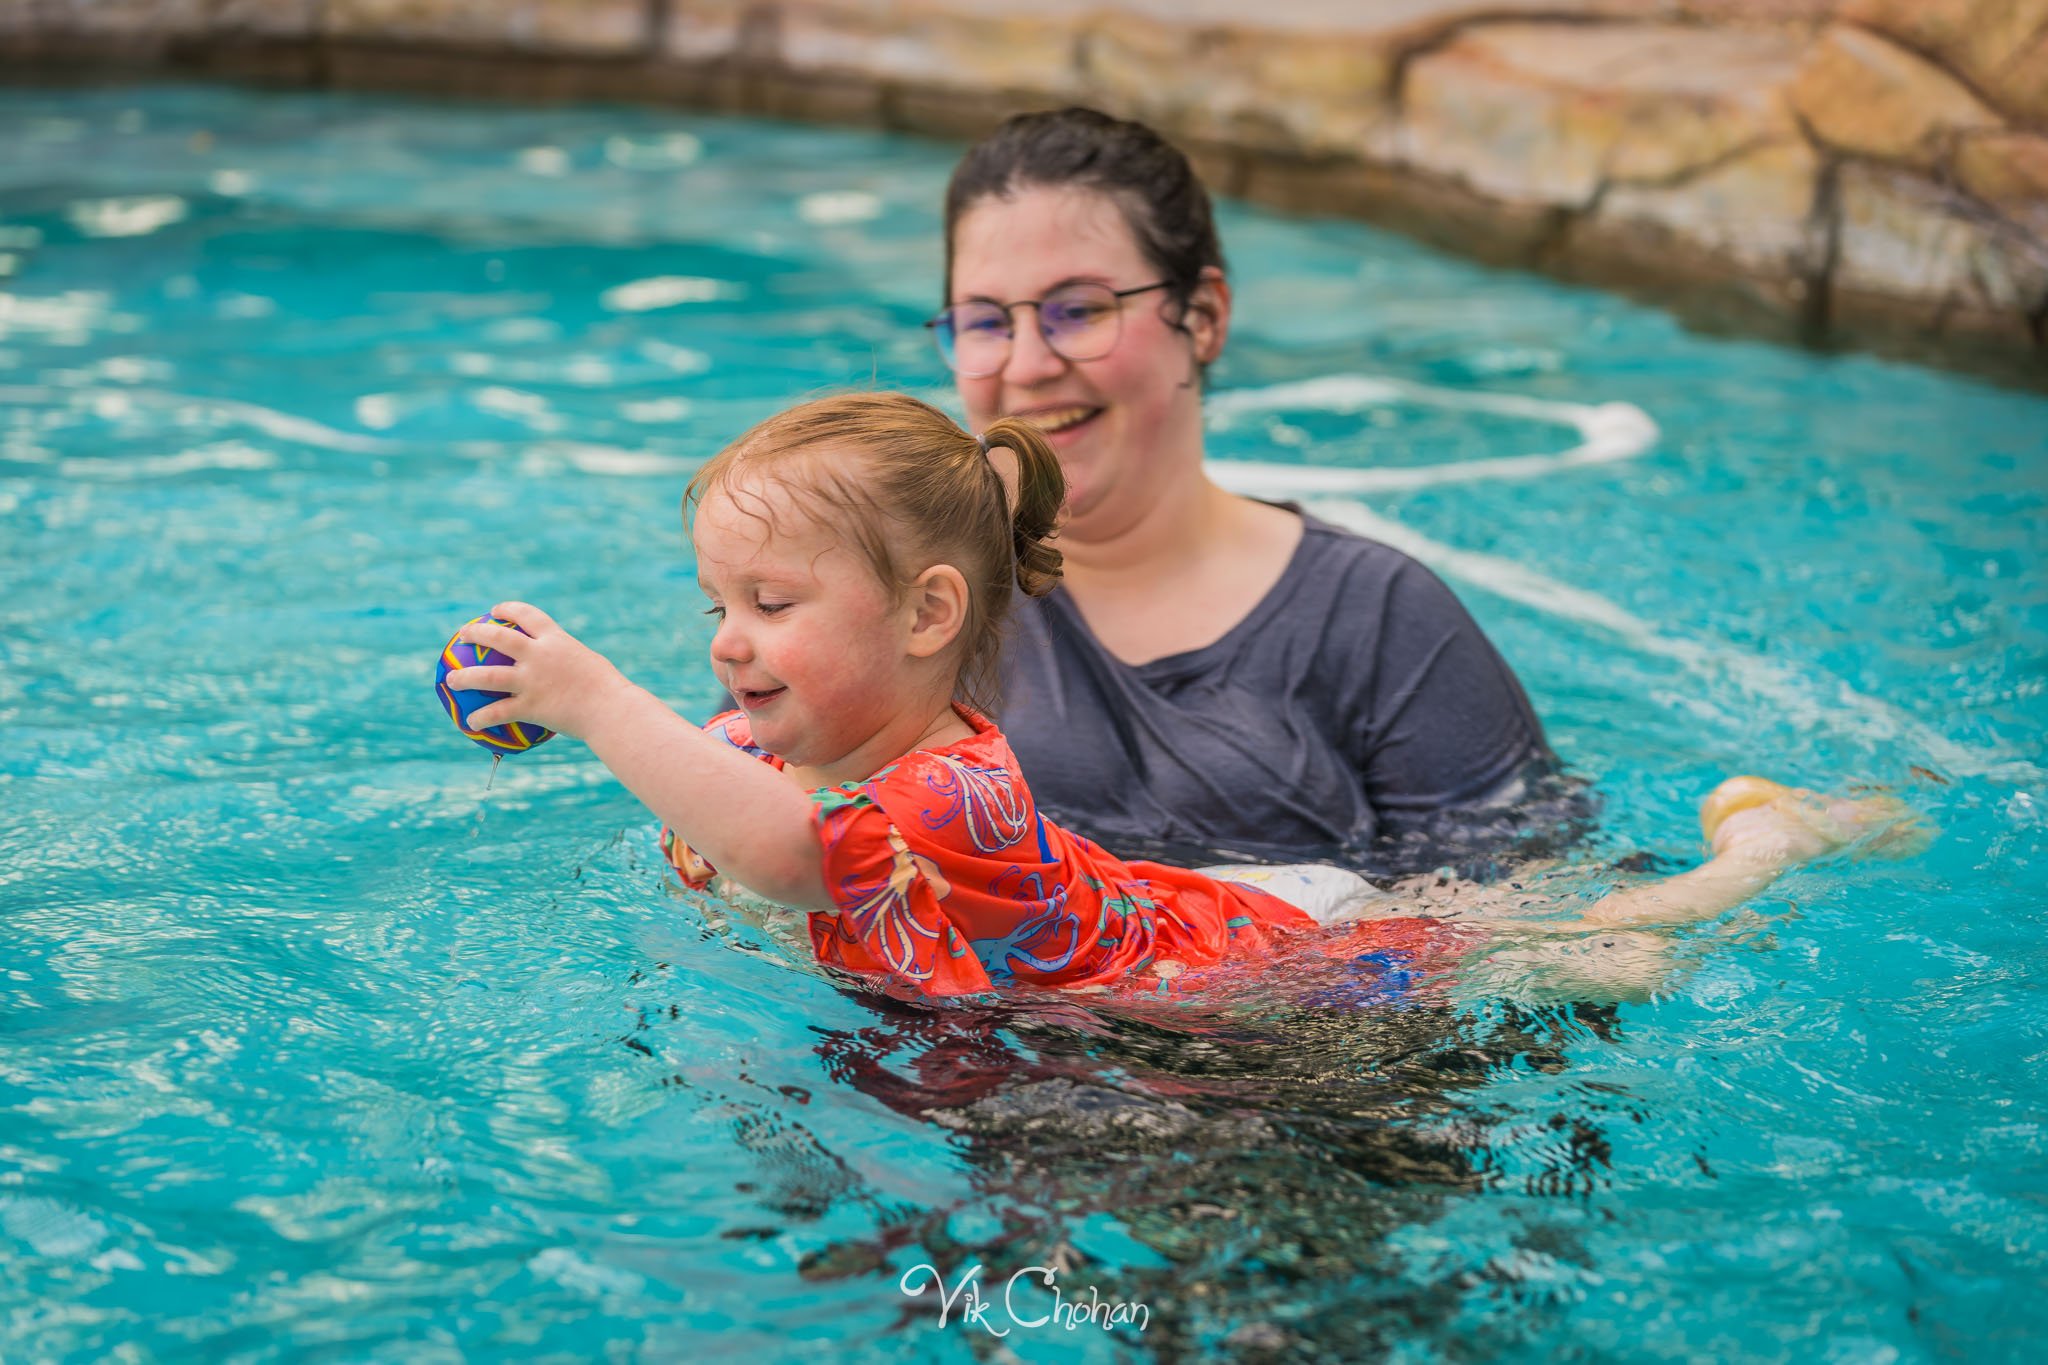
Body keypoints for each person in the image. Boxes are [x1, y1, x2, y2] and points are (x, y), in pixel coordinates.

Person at [445, 393, 1917, 1002]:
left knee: (1578, 946)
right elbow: (728, 833)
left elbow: (780, 856)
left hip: (1268, 968)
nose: (726, 645)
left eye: (770, 607)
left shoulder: (952, 782)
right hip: (1171, 915)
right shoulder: (774, 750)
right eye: (718, 607)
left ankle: (1773, 839)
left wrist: (586, 695)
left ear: (927, 616)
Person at [930, 107, 1560, 871]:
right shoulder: (906, 587)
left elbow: (1542, 936)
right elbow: (756, 864)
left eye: (1082, 310)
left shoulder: (1381, 618)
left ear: (1202, 319)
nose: (1026, 364)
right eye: (987, 321)